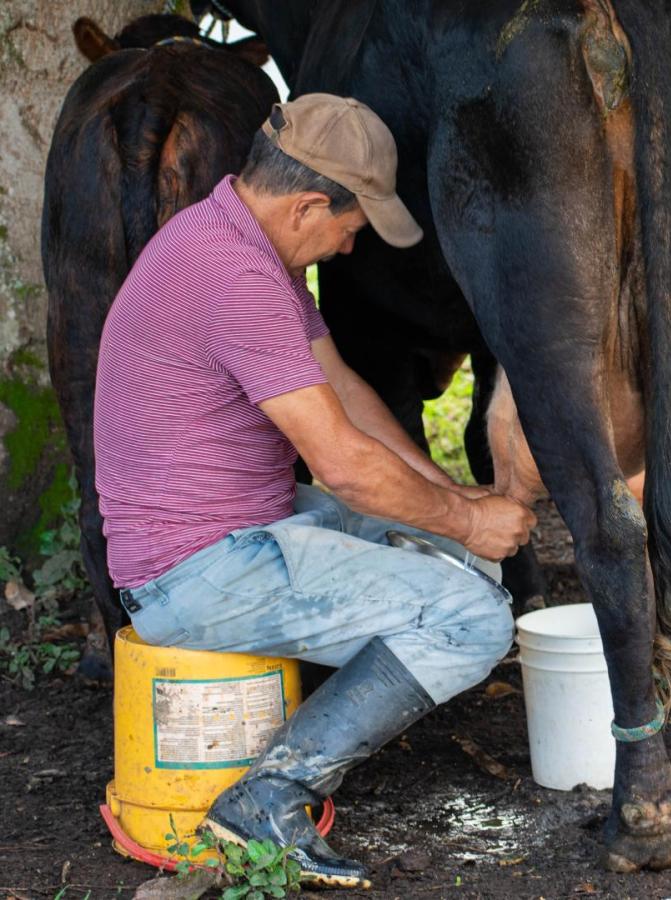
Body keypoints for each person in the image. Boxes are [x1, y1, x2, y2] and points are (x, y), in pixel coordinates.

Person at [93, 93, 536, 888]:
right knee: (473, 619)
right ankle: (270, 793)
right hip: (193, 573)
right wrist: (470, 523)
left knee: (443, 547)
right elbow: (343, 465)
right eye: (350, 227)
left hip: (233, 532)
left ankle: (311, 734)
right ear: (306, 205)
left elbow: (344, 390)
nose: (347, 245)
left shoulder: (236, 241)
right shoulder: (236, 277)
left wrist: (451, 500)